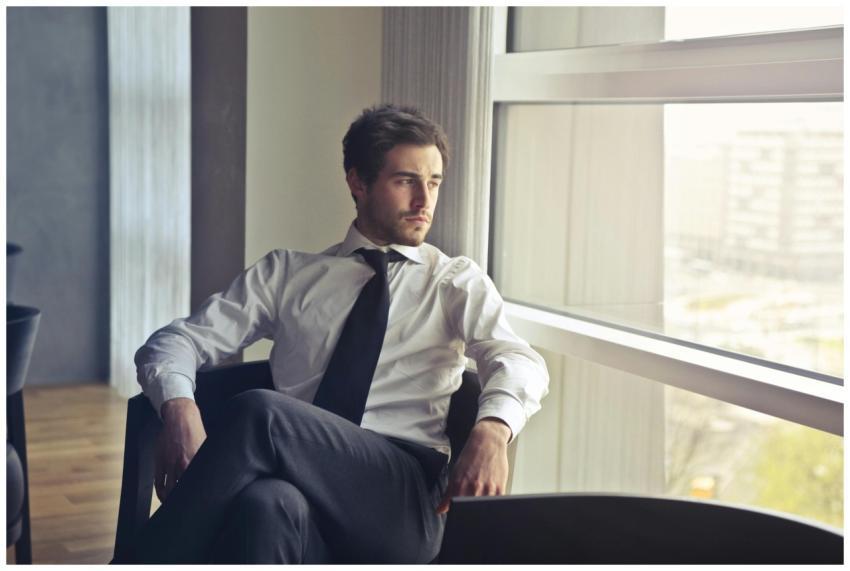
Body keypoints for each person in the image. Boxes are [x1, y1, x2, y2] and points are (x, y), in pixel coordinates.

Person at [117, 104, 549, 564]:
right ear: (358, 182)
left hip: (398, 499)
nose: (425, 200)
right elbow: (172, 342)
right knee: (266, 506)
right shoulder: (288, 274)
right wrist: (180, 407)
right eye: (406, 181)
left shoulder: (453, 282)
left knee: (260, 414)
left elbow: (519, 360)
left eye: (435, 182)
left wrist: (493, 429)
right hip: (297, 490)